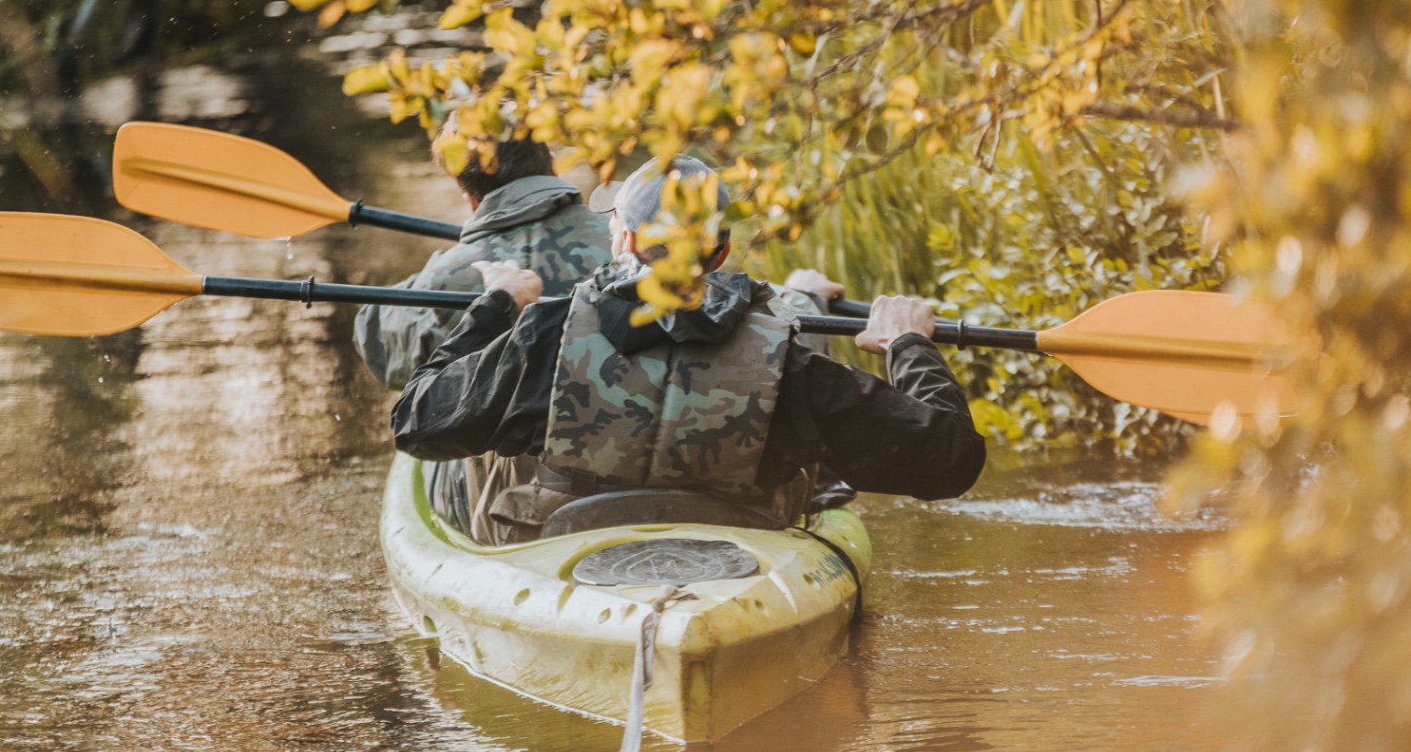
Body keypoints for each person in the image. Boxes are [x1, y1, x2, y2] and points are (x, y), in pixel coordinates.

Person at [390, 155, 987, 545]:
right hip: (736, 548)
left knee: (492, 442)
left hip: (564, 548)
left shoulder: (545, 334)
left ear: (620, 238)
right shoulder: (786, 358)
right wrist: (908, 344)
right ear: (722, 254)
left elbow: (416, 422)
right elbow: (952, 458)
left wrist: (494, 306)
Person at [354, 117, 614, 535]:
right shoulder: (625, 239)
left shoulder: (450, 274)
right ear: (552, 162)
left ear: (468, 197)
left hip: (510, 491)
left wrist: (425, 280)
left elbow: (388, 360)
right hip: (624, 451)